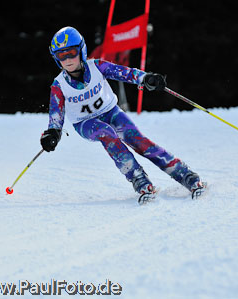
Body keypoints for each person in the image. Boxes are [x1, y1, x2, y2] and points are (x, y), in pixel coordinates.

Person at [41, 26, 205, 204]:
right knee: (106, 133)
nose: (67, 60)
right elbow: (56, 113)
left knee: (138, 141)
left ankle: (185, 174)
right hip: (85, 123)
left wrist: (145, 78)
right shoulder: (59, 85)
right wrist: (53, 133)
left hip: (110, 112)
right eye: (61, 56)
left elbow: (124, 73)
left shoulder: (97, 66)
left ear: (81, 50)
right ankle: (139, 180)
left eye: (71, 52)